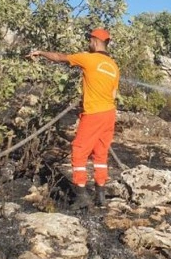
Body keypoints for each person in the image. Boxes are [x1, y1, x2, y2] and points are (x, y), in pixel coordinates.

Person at [28, 28, 120, 208]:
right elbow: (113, 93)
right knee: (100, 154)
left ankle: (81, 195)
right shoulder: (114, 66)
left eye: (90, 40)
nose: (89, 43)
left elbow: (60, 57)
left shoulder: (88, 58)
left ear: (94, 41)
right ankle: (100, 195)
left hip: (94, 113)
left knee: (79, 151)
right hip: (109, 114)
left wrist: (41, 53)